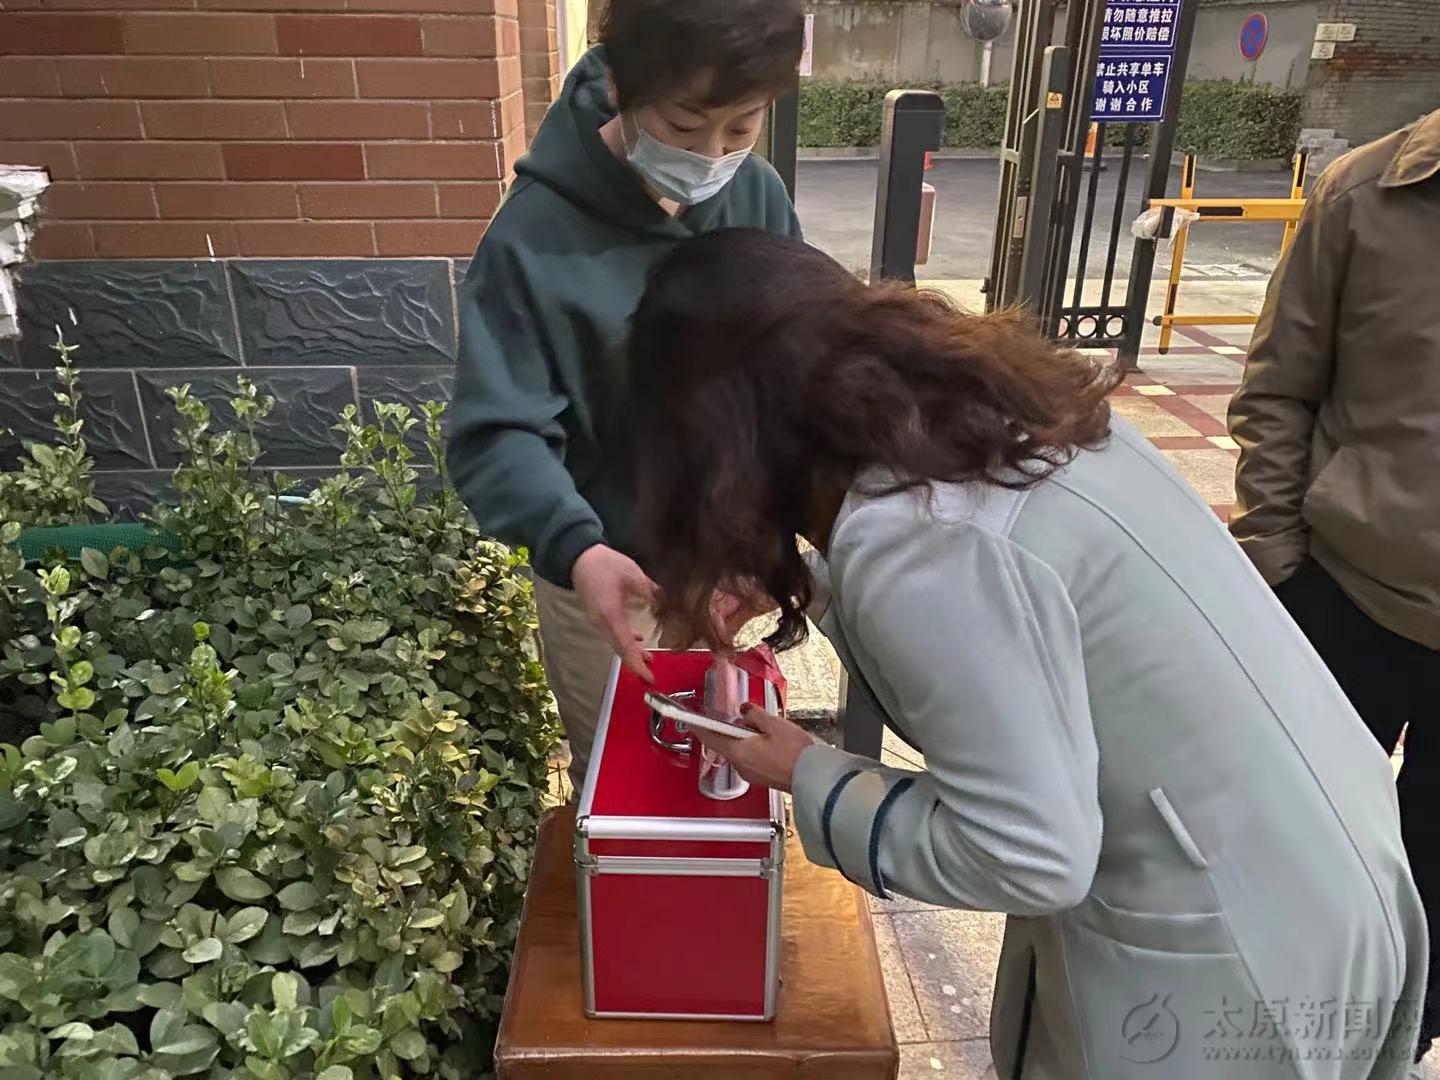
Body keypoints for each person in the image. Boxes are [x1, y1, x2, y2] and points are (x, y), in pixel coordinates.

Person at [621, 229, 1427, 1079]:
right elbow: (1005, 609)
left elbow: (1027, 853)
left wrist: (808, 773)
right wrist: (810, 585)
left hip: (1228, 961)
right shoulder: (1008, 418)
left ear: (728, 447)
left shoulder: (915, 539)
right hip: (1332, 869)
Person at [447, 0, 805, 790]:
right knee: (625, 787)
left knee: (730, 778)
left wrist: (768, 537)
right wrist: (574, 549)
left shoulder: (758, 198)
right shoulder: (533, 239)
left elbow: (793, 381)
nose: (711, 155)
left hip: (729, 565)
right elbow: (497, 433)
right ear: (618, 85)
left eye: (741, 128)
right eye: (683, 126)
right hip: (607, 574)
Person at [1229, 109, 1440, 1069]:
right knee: (1300, 858)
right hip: (1350, 600)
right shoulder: (1367, 193)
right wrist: (1282, 559)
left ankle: (1400, 1045)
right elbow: (1279, 388)